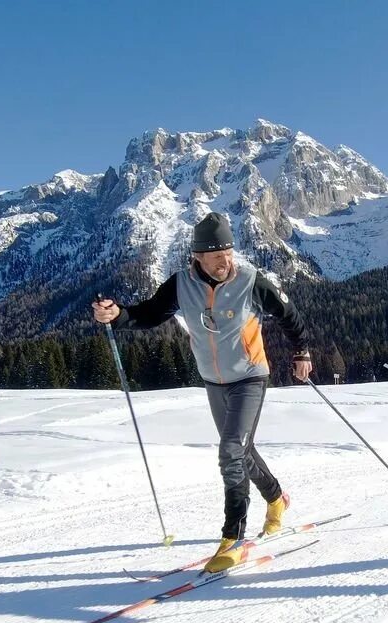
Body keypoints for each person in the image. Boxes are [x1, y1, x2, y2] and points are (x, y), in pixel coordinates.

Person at [92, 212, 314, 573]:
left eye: (228, 253)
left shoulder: (250, 281)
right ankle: (276, 499)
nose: (225, 262)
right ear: (198, 258)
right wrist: (116, 315)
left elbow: (288, 314)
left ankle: (234, 538)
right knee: (241, 450)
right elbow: (148, 314)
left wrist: (302, 351)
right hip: (214, 381)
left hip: (250, 376)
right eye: (215, 256)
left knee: (231, 451)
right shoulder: (181, 285)